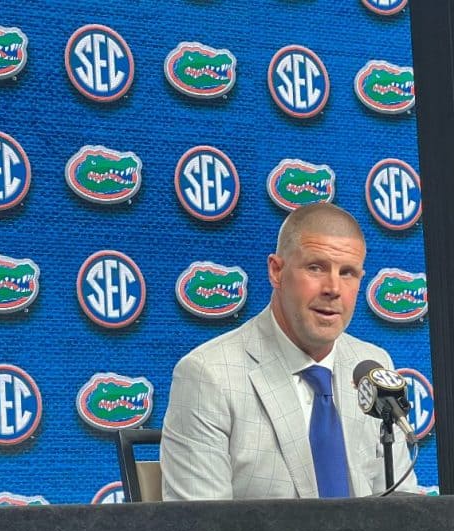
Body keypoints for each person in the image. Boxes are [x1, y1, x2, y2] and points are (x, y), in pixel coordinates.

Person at [161, 203, 418, 500]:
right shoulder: (208, 376)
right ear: (276, 271)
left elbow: (404, 516)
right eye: (315, 267)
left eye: (347, 273)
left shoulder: (372, 366)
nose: (333, 288)